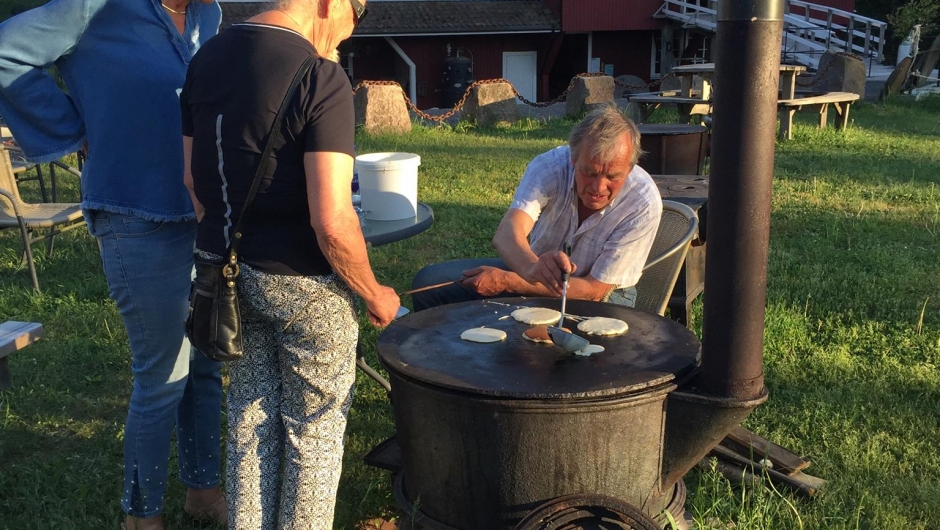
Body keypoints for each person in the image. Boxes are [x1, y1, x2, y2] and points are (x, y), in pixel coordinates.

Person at [0, 1, 226, 529]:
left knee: (206, 364)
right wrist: (73, 127)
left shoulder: (209, 14)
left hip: (205, 213)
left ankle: (203, 491)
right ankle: (141, 518)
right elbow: (5, 51)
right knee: (164, 374)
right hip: (135, 214)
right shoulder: (96, 7)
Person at [180, 0, 399, 528]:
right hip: (304, 285)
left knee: (250, 416)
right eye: (354, 18)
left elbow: (192, 182)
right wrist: (374, 293)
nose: (346, 36)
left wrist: (232, 246)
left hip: (224, 275)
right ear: (330, 3)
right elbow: (333, 221)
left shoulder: (205, 59)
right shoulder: (321, 77)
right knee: (313, 433)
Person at [412, 106, 662, 311]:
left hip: (605, 296)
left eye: (612, 177)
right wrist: (532, 268)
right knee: (429, 283)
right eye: (589, 172)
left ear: (630, 169)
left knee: (556, 343)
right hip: (531, 271)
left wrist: (509, 281)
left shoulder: (643, 202)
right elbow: (508, 232)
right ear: (573, 159)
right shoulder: (550, 167)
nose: (599, 187)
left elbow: (594, 291)